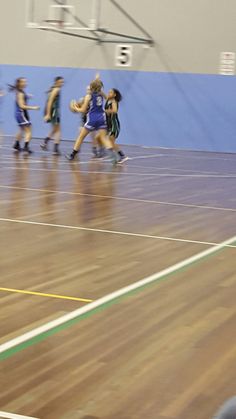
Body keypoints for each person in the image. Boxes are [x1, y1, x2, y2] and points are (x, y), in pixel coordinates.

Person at [66, 78, 117, 163]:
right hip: (101, 117)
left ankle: (72, 155)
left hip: (92, 118)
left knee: (81, 137)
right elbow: (108, 98)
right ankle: (113, 156)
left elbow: (83, 110)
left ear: (91, 87)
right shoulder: (101, 95)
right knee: (104, 138)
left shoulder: (88, 96)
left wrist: (75, 108)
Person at [8, 78, 39, 153]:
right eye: (24, 82)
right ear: (20, 83)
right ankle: (26, 147)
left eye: (26, 82)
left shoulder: (21, 92)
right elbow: (22, 106)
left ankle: (16, 144)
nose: (25, 83)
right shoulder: (20, 93)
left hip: (19, 114)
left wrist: (28, 96)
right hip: (21, 113)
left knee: (21, 129)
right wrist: (33, 108)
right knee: (29, 130)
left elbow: (22, 97)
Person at [41, 76, 64, 155]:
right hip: (54, 111)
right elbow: (50, 102)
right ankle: (55, 149)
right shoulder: (56, 89)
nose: (62, 83)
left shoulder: (53, 89)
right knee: (58, 130)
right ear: (56, 82)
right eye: (61, 82)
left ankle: (45, 143)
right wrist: (48, 114)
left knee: (55, 129)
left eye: (62, 82)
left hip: (53, 111)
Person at [104, 88, 128, 164]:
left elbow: (115, 110)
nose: (109, 93)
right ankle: (118, 156)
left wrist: (107, 111)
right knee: (109, 141)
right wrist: (98, 88)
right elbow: (103, 95)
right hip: (109, 124)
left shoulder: (114, 102)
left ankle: (122, 156)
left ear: (114, 95)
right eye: (109, 92)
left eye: (111, 92)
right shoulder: (108, 100)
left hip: (114, 124)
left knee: (111, 141)